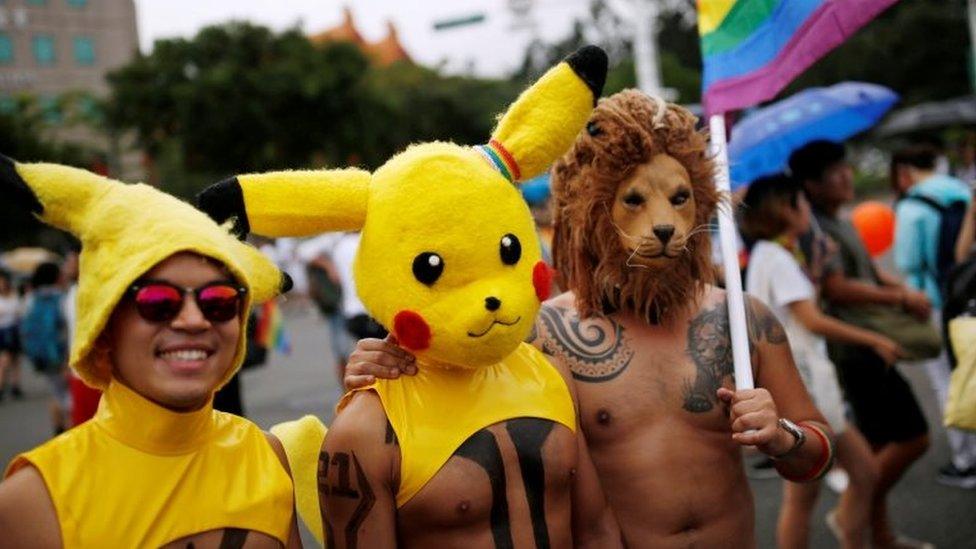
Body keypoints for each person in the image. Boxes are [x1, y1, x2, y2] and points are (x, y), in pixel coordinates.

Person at [345, 91, 835, 547]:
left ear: (702, 202)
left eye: (680, 199)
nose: (663, 223)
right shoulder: (542, 338)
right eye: (634, 200)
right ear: (591, 211)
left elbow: (816, 456)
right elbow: (445, 398)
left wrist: (782, 436)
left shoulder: (742, 318)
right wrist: (393, 364)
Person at [0, 154, 301, 547]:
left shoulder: (266, 454)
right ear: (104, 326)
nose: (194, 320)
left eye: (219, 301)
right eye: (158, 301)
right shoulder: (36, 497)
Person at [790, 140, 934, 549]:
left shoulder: (841, 218)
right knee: (913, 438)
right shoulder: (815, 227)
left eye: (845, 167)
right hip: (855, 351)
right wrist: (900, 298)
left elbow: (868, 273)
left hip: (868, 344)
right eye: (835, 172)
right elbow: (837, 288)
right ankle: (852, 510)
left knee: (878, 444)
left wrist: (900, 288)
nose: (847, 176)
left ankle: (881, 535)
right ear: (811, 185)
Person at [741, 174, 895, 548]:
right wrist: (874, 338)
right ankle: (850, 533)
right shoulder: (776, 257)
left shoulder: (770, 253)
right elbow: (811, 319)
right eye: (802, 202)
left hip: (805, 381)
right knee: (836, 483)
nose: (808, 209)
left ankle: (851, 533)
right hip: (807, 385)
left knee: (855, 476)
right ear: (786, 208)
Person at [891, 144, 976, 488]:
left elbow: (909, 262)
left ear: (905, 171)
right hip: (970, 292)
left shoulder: (912, 206)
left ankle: (965, 459)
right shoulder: (960, 190)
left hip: (936, 301)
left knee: (947, 379)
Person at [20, 261, 70, 435]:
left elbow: (25, 327)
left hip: (41, 355)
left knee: (56, 392)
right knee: (68, 396)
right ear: (57, 277)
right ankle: (69, 432)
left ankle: (58, 428)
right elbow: (67, 329)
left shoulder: (30, 298)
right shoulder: (63, 298)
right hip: (62, 355)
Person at [0, 269, 23, 403]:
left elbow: (19, 311)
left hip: (14, 330)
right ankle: (1, 386)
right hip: (3, 331)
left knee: (16, 360)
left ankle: (15, 385)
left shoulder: (14, 296)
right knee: (5, 360)